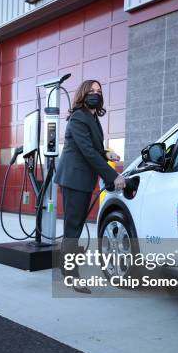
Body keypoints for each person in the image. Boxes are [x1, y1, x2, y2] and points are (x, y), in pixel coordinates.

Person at [54, 80, 126, 293]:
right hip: (74, 179)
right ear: (83, 94)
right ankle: (70, 274)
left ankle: (64, 266)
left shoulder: (92, 118)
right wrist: (113, 176)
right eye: (91, 91)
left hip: (82, 179)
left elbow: (93, 148)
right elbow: (87, 151)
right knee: (73, 227)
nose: (95, 94)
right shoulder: (78, 117)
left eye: (98, 91)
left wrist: (107, 153)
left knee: (74, 225)